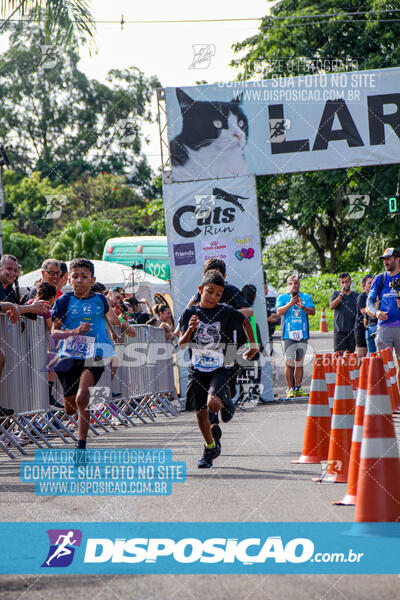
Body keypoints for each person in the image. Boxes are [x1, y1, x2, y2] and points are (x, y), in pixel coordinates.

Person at [178, 270, 258, 468]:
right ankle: (210, 447)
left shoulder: (224, 311)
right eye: (210, 292)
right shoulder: (189, 313)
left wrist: (253, 343)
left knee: (213, 404)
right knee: (200, 413)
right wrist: (190, 330)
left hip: (219, 367)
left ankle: (225, 401)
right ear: (200, 290)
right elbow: (180, 343)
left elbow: (245, 320)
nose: (214, 297)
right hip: (197, 369)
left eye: (218, 294)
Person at [51, 258, 117, 450]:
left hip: (96, 353)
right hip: (69, 356)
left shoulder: (100, 300)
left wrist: (118, 330)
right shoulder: (64, 301)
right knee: (71, 408)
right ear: (69, 279)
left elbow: (108, 317)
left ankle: (81, 444)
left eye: (84, 277)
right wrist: (75, 332)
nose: (79, 280)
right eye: (75, 276)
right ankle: (72, 410)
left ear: (92, 279)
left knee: (82, 398)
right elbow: (54, 333)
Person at [276, 275, 315, 398]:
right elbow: (279, 312)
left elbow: (313, 312)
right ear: (288, 285)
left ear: (299, 285)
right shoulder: (282, 297)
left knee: (299, 362)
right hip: (288, 334)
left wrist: (302, 306)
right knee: (289, 362)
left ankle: (298, 388)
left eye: (296, 283)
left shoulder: (306, 297)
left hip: (302, 333)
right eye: (291, 283)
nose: (294, 285)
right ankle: (289, 388)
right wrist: (290, 303)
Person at [367, 247, 400, 392]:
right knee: (384, 365)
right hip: (384, 327)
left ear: (397, 259)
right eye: (384, 259)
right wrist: (376, 312)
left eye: (389, 258)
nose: (385, 262)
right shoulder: (379, 279)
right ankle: (386, 400)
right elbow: (369, 302)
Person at [329, 272, 358, 354]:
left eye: (346, 282)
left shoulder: (356, 295)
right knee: (338, 355)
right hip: (339, 329)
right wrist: (341, 295)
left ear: (350, 282)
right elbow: (332, 306)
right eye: (342, 282)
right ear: (340, 283)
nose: (345, 284)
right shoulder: (336, 294)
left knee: (350, 356)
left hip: (352, 330)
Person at [354, 274, 374, 361]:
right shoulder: (362, 296)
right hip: (361, 328)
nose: (371, 285)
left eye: (373, 283)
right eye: (369, 283)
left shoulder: (375, 296)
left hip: (371, 327)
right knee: (362, 357)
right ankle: (358, 374)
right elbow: (364, 311)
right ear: (364, 285)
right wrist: (376, 312)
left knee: (372, 355)